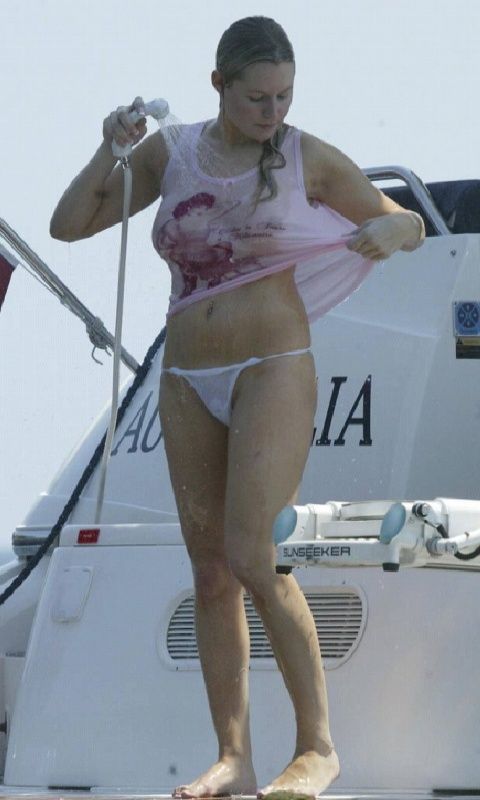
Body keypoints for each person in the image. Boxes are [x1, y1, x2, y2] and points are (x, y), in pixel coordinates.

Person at [50, 16, 424, 798]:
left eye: (284, 95)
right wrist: (109, 151)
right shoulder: (172, 152)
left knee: (255, 556)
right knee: (211, 572)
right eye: (258, 97)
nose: (273, 112)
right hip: (188, 373)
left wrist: (396, 232)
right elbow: (69, 225)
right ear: (218, 83)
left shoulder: (304, 155)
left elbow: (402, 220)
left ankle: (317, 748)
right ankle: (234, 759)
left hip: (271, 365)